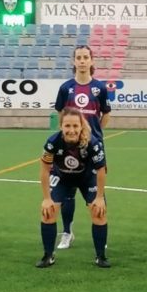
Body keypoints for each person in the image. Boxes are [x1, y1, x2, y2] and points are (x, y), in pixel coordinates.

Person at [36, 108, 109, 268]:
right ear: (61, 126)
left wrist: (99, 197)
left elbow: (101, 170)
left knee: (98, 211)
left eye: (75, 126)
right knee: (48, 212)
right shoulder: (52, 142)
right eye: (67, 126)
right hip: (62, 177)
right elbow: (44, 169)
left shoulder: (93, 143)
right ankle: (48, 255)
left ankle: (100, 256)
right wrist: (47, 199)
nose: (71, 130)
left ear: (81, 126)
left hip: (87, 178)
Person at [53, 45, 111, 250]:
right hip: (69, 150)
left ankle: (101, 238)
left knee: (98, 193)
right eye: (79, 57)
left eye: (86, 57)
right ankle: (67, 232)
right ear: (73, 61)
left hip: (92, 151)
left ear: (92, 61)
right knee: (67, 194)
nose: (83, 61)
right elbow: (60, 115)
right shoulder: (65, 88)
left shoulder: (100, 88)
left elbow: (105, 114)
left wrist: (93, 134)